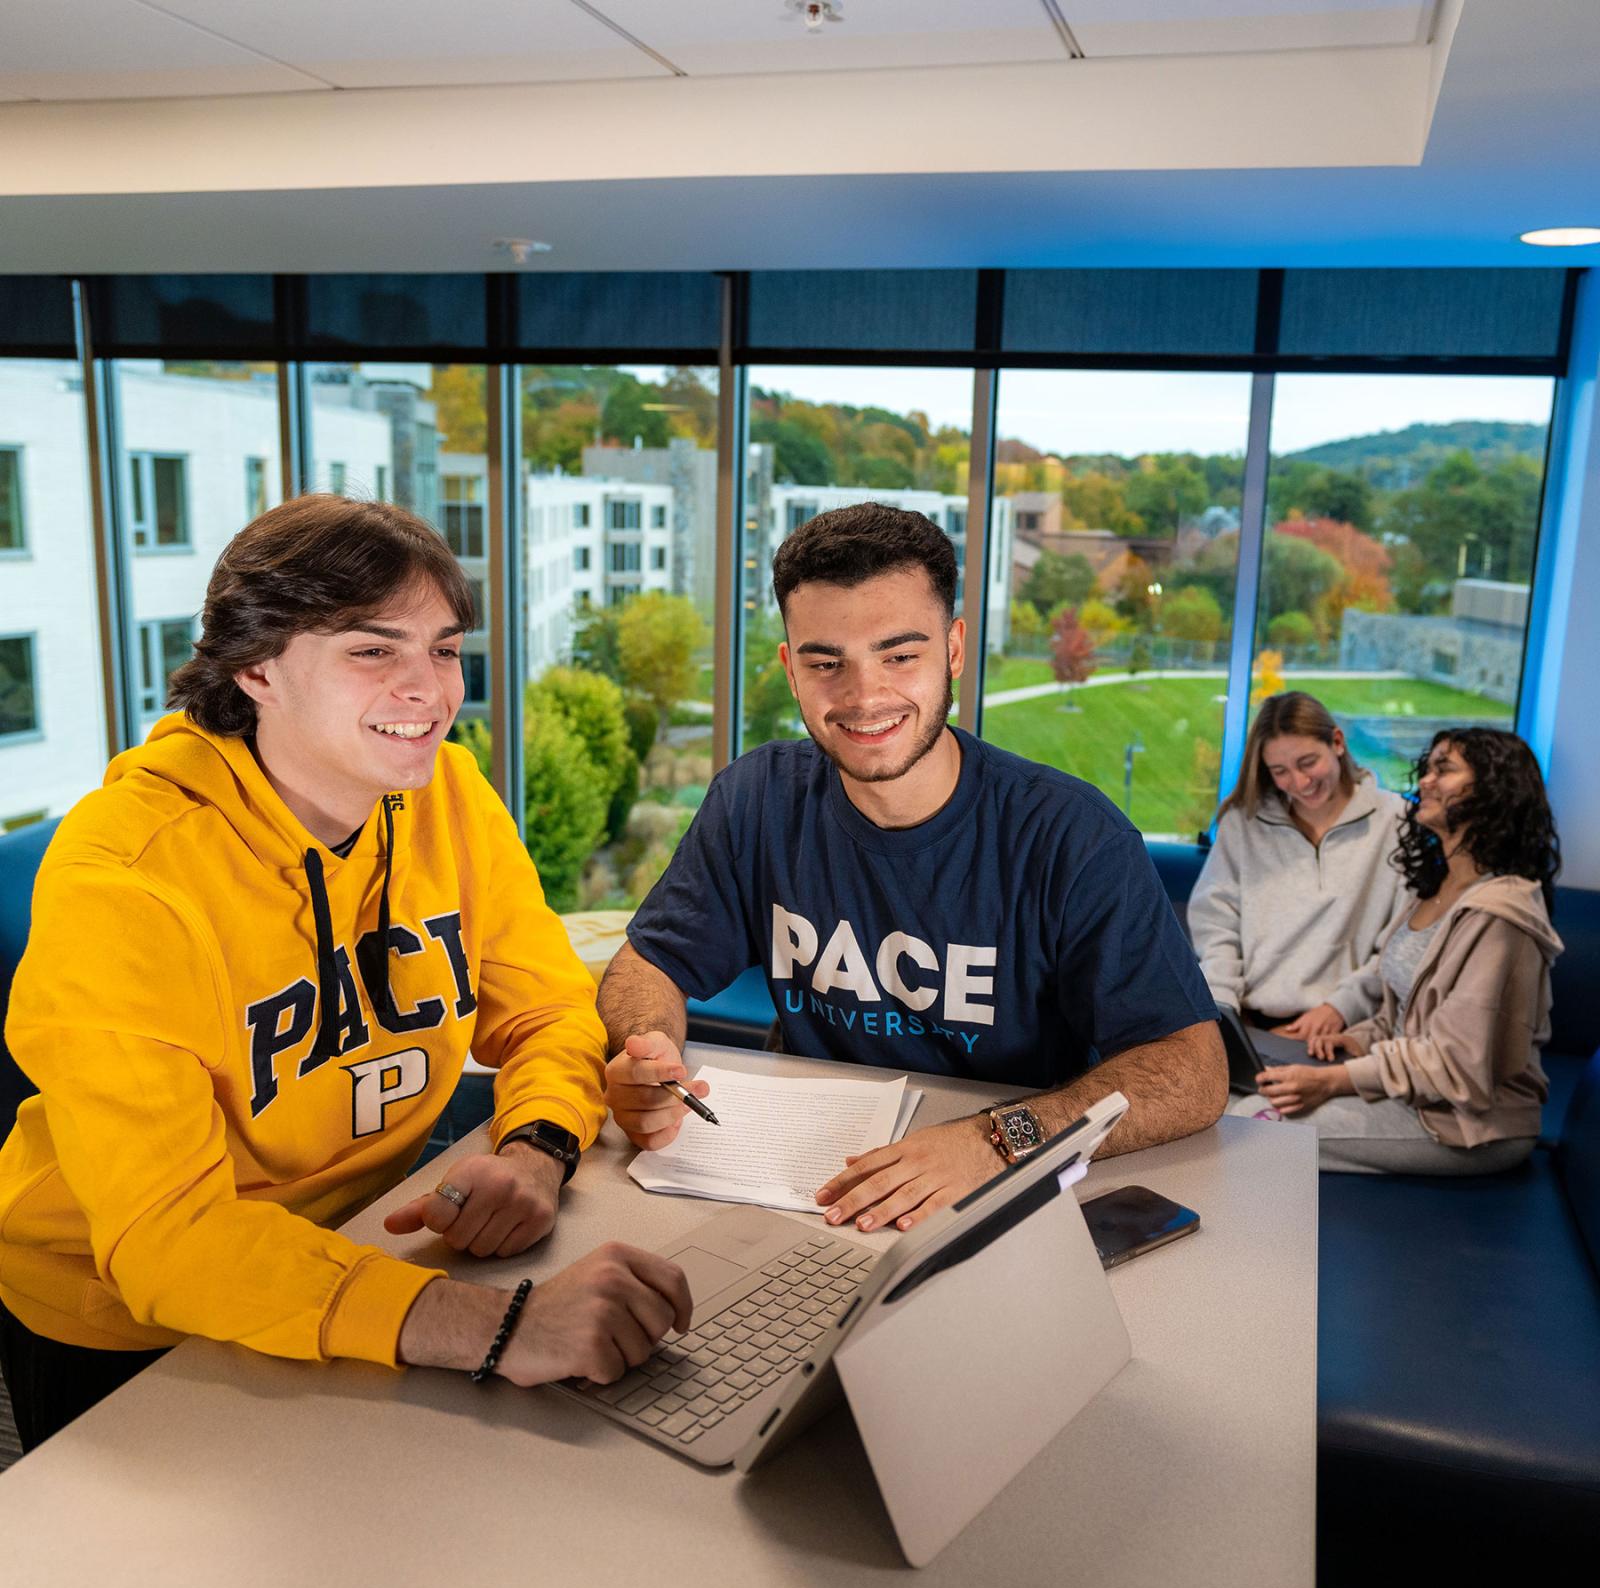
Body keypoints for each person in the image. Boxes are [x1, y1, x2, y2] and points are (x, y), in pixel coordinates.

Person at [0, 496, 688, 1452]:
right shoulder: (123, 880)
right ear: (256, 668)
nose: (430, 692)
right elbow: (169, 1240)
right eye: (373, 650)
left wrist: (536, 1151)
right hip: (128, 1322)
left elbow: (547, 1011)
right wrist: (503, 1326)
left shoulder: (449, 791)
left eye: (444, 650)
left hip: (363, 1249)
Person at [598, 503, 1226, 1235]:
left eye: (899, 656)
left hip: (1005, 1197)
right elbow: (648, 963)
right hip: (811, 1189)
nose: (864, 696)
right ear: (791, 670)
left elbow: (1194, 1070)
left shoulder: (1072, 836)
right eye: (826, 663)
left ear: (954, 650)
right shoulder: (755, 799)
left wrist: (998, 1142)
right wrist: (648, 1051)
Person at [1232, 728, 1562, 1175]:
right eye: (1428, 769)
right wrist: (1357, 1038)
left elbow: (1458, 1064)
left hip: (1466, 1123)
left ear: (1494, 791)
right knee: (1228, 1097)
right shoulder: (1435, 889)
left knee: (1247, 1126)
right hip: (1414, 1094)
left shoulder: (1501, 915)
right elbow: (1407, 1014)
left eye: (1444, 770)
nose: (1425, 780)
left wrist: (1333, 1080)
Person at [1188, 691, 1408, 1041]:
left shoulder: (1395, 820)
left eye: (1308, 763)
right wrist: (1224, 1012)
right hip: (1251, 1023)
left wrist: (1343, 1006)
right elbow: (1216, 926)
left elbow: (1401, 940)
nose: (1300, 782)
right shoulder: (1243, 823)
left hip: (1346, 1030)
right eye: (1280, 771)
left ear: (1337, 742)